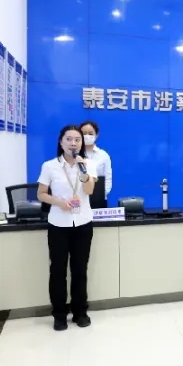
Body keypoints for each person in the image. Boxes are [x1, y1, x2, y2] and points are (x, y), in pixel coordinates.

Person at [36, 125, 98, 331]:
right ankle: (59, 314)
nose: (73, 143)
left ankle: (80, 312)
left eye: (77, 140)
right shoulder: (50, 166)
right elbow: (41, 194)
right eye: (69, 139)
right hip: (58, 224)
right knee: (58, 270)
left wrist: (84, 173)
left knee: (80, 270)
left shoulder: (88, 164)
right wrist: (59, 202)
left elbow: (89, 190)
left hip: (83, 223)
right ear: (61, 142)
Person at [79, 120, 112, 208]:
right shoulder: (74, 154)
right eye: (84, 133)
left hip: (99, 199)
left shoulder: (103, 155)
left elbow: (108, 179)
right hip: (78, 199)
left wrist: (100, 194)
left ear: (96, 135)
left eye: (90, 133)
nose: (87, 136)